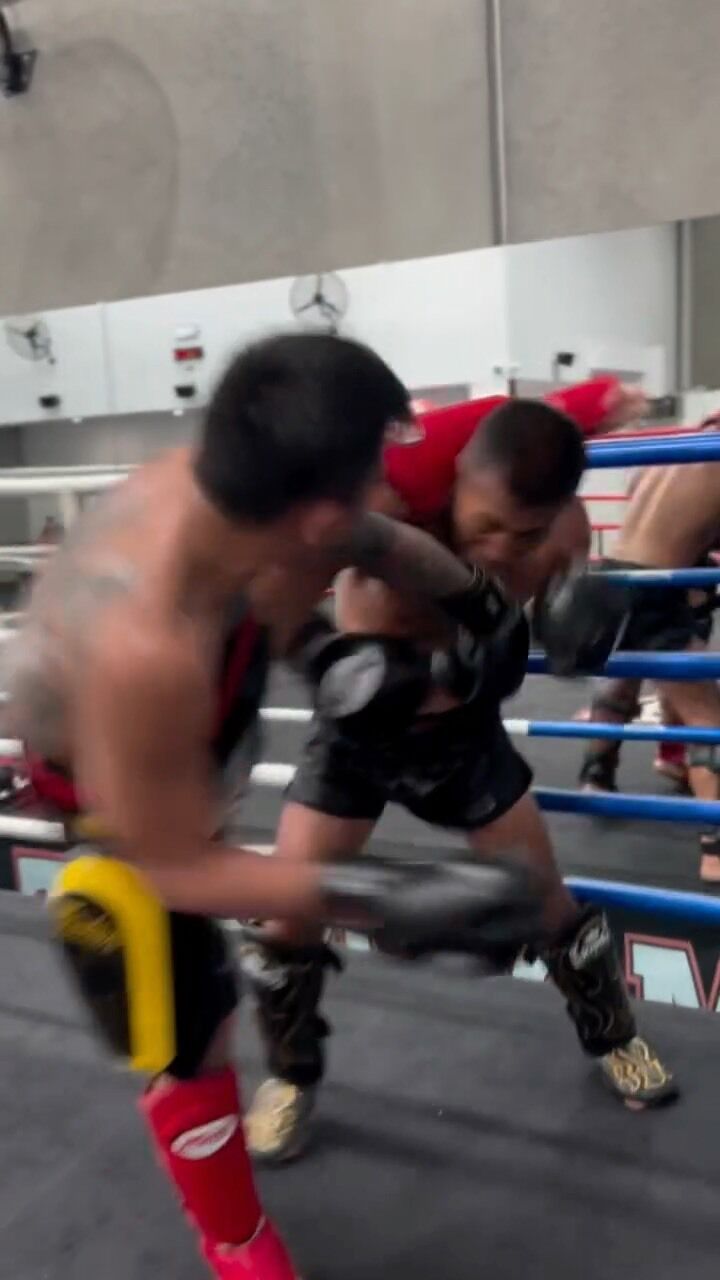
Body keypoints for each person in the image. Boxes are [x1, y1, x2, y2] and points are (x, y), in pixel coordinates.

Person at [5, 333, 545, 1280]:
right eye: (371, 473)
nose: (385, 490)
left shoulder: (236, 495)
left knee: (317, 599)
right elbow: (174, 864)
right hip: (115, 803)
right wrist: (382, 895)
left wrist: (476, 605)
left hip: (212, 665)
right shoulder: (144, 646)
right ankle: (237, 1244)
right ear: (318, 507)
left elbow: (370, 536)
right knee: (189, 1026)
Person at [242, 393, 676, 1167]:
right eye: (489, 524)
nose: (503, 546)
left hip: (463, 739)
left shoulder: (563, 537)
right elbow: (273, 583)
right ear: (461, 478)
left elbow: (548, 631)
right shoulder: (389, 512)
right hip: (358, 734)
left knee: (550, 905)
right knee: (286, 918)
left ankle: (616, 1039)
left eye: (526, 532)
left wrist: (570, 625)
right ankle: (288, 1074)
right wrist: (326, 658)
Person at [577, 419, 720, 881]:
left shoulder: (676, 448)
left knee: (621, 680)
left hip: (610, 576)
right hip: (655, 586)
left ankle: (596, 777)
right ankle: (716, 850)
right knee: (708, 715)